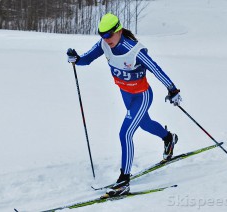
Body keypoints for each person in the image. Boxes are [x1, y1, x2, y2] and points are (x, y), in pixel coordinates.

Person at [67, 13, 181, 196]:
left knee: (125, 133)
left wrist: (173, 90)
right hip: (126, 95)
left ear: (119, 30)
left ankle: (124, 181)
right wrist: (76, 59)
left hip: (142, 96)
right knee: (145, 124)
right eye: (101, 34)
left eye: (109, 34)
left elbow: (156, 69)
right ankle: (169, 138)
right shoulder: (104, 44)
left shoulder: (134, 50)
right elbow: (86, 59)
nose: (106, 39)